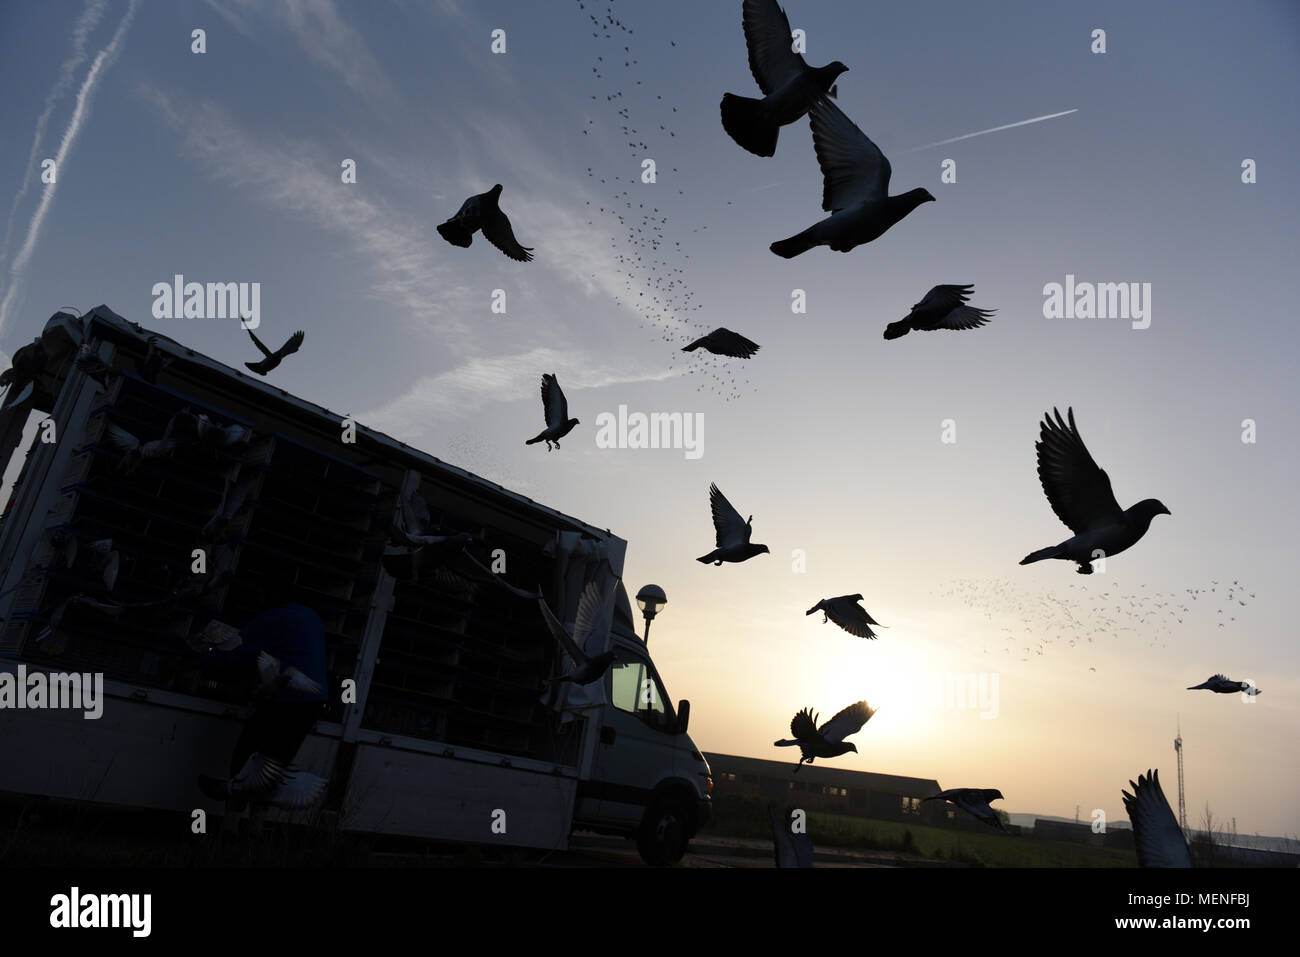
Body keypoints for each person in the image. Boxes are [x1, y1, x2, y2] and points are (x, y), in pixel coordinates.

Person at [195, 602, 329, 827]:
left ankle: (229, 829)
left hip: (286, 700)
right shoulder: (310, 615)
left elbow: (240, 656)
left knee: (246, 758)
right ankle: (255, 833)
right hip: (312, 702)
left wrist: (202, 657)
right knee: (273, 767)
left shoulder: (267, 619)